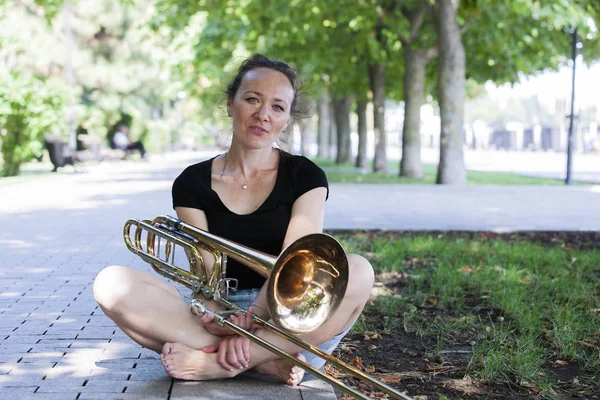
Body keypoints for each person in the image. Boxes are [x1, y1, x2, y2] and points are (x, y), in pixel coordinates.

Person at [93, 54, 374, 386]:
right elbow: (206, 272)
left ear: (286, 120)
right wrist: (213, 312)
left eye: (278, 107)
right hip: (221, 320)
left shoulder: (306, 176)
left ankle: (228, 362)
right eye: (252, 99)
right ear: (230, 104)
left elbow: (298, 262)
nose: (263, 114)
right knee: (110, 284)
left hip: (292, 322)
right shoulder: (192, 182)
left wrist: (256, 314)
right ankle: (263, 363)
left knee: (359, 271)